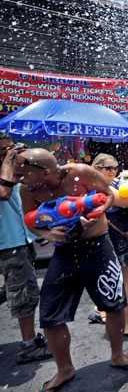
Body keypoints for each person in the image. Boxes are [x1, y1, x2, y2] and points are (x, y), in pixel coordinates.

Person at [15, 148, 128, 391]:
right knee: (50, 314)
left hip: (98, 247)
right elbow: (30, 220)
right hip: (64, 252)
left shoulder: (80, 173)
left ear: (45, 171)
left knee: (115, 304)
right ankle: (64, 369)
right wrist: (48, 233)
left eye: (25, 174)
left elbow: (109, 196)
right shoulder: (27, 190)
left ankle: (118, 355)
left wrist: (94, 213)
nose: (21, 179)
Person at [0, 136, 51, 365]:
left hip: (18, 239)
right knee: (24, 295)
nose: (9, 152)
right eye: (4, 149)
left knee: (22, 291)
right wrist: (10, 159)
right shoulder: (5, 174)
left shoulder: (9, 172)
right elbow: (4, 193)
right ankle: (29, 345)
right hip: (8, 244)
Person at [88, 154, 128, 337]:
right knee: (127, 280)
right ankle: (125, 323)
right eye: (108, 168)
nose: (113, 171)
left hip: (111, 239)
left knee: (113, 279)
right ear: (97, 168)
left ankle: (100, 310)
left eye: (115, 167)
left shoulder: (101, 185)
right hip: (118, 241)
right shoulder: (104, 189)